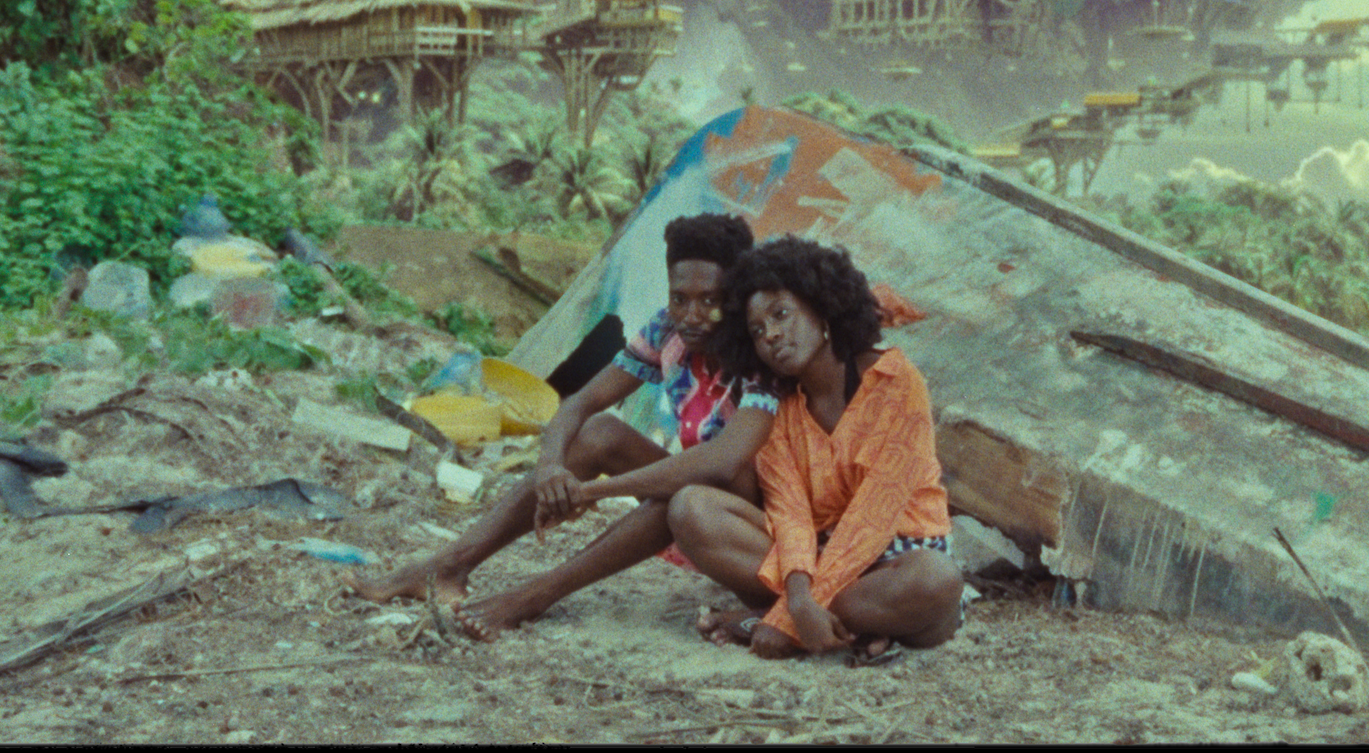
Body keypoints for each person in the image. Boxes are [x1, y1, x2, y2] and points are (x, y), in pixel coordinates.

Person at [347, 213, 776, 638]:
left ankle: (533, 596)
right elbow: (581, 403)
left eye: (710, 300)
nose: (692, 315)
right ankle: (449, 566)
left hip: (765, 537)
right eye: (680, 297)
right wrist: (552, 467)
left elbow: (722, 463)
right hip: (710, 505)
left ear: (736, 297)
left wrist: (592, 491)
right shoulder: (670, 331)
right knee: (600, 433)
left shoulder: (762, 351)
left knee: (684, 487)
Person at [669, 235, 964, 662]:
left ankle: (775, 621)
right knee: (690, 509)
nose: (771, 334)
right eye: (757, 330)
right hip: (813, 561)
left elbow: (875, 515)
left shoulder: (895, 382)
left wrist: (789, 617)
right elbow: (790, 516)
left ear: (822, 308)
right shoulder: (777, 410)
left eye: (781, 314)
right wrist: (800, 596)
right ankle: (853, 630)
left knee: (937, 580)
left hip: (899, 559)